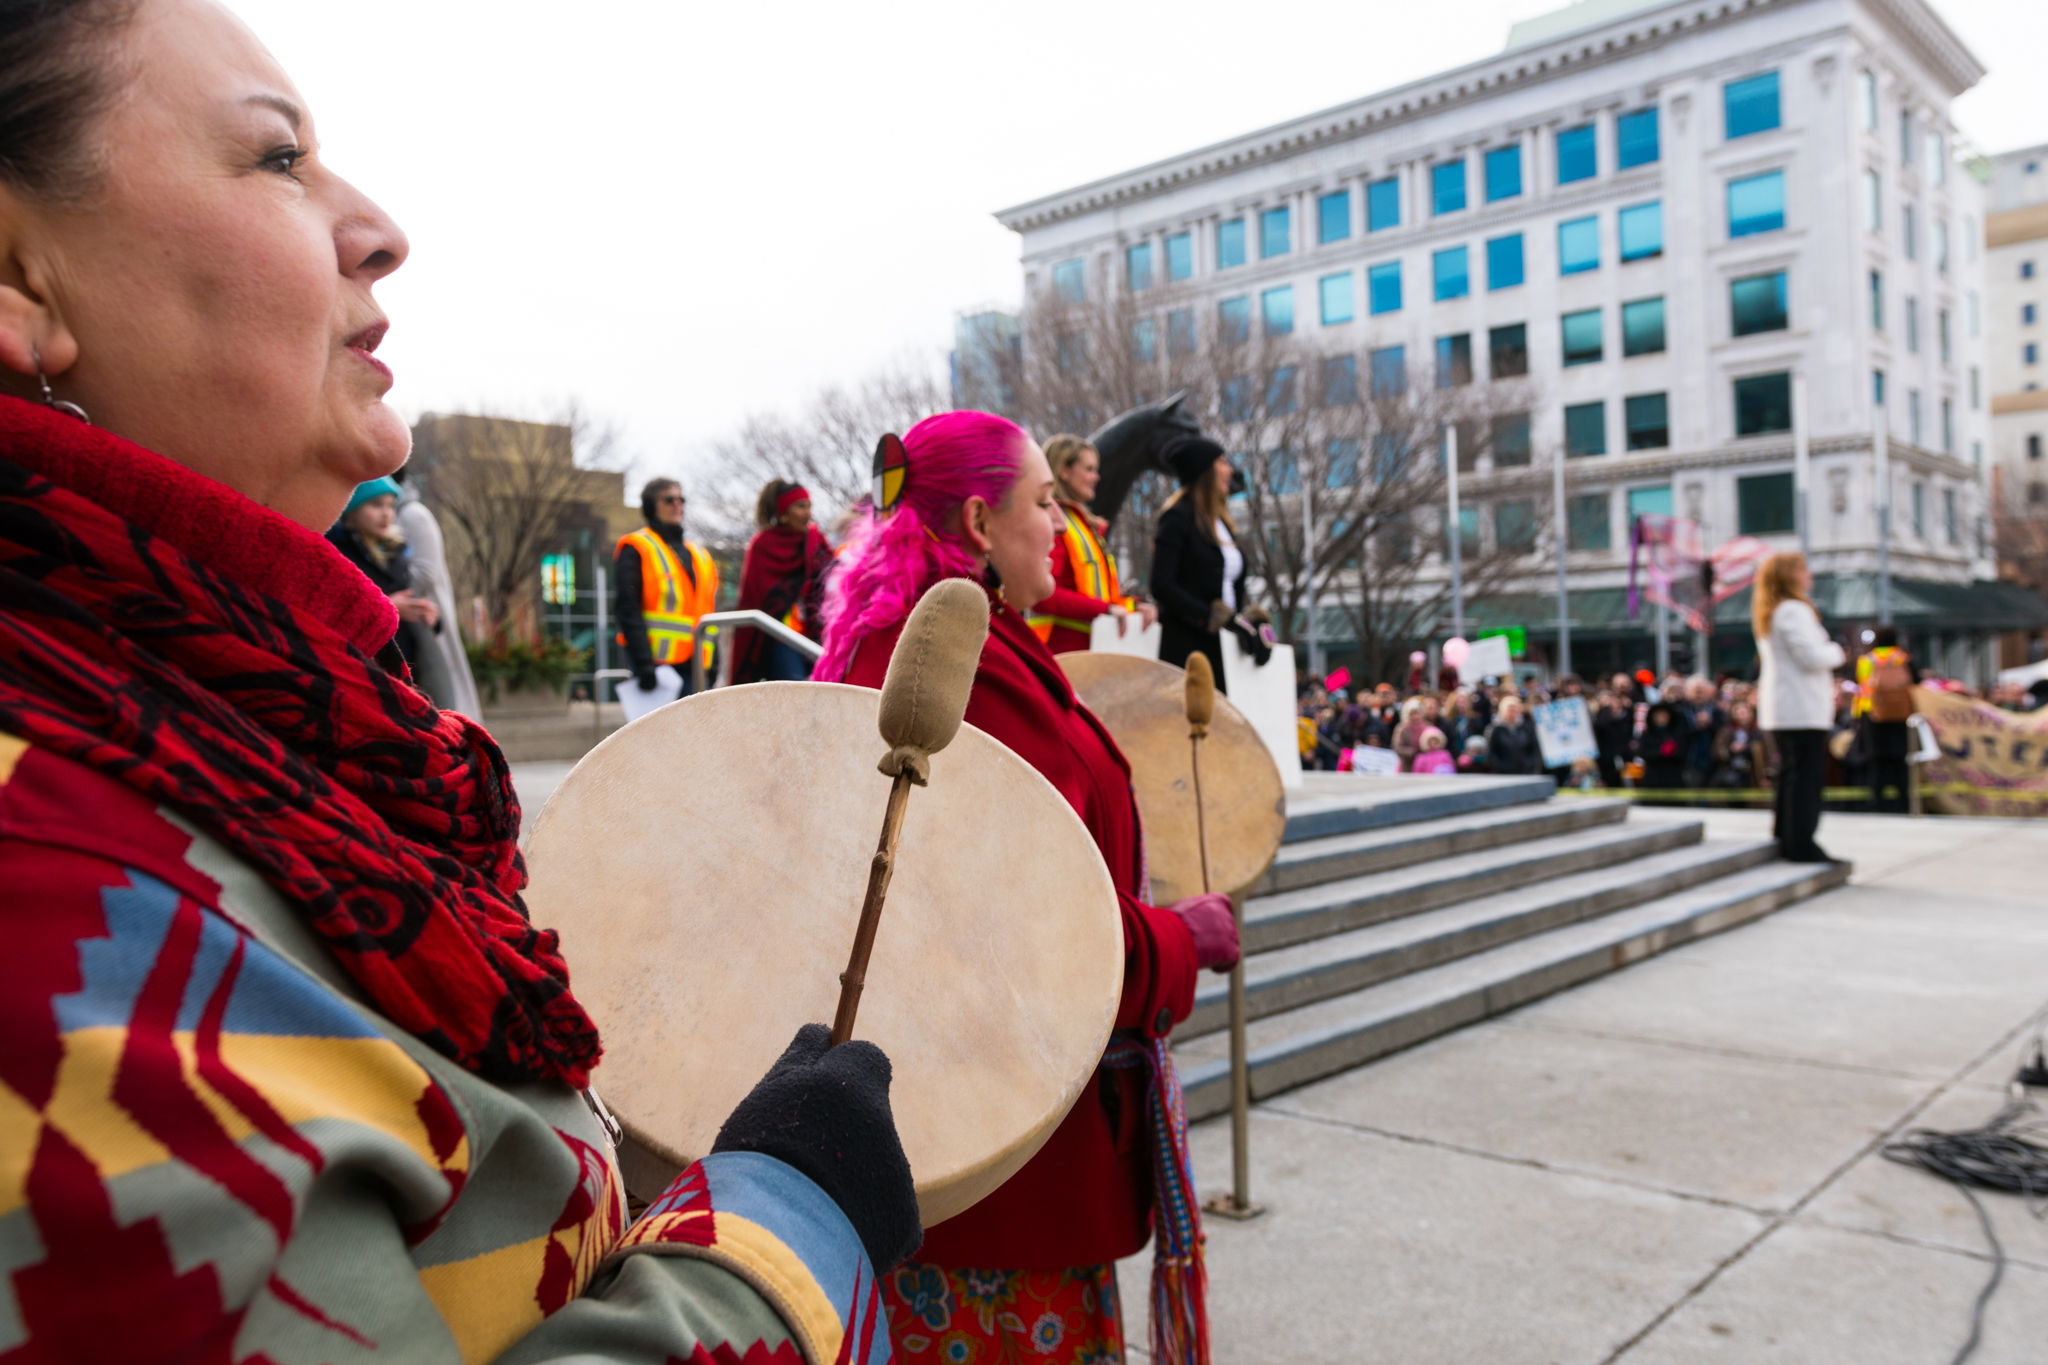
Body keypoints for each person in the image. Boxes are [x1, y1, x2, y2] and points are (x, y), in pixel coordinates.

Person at [0, 1, 916, 1356]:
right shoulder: (43, 889)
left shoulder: (237, 733)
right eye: (275, 160)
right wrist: (787, 1231)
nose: (375, 227)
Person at [815, 411, 1239, 1365]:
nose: (1062, 527)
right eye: (1047, 502)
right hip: (993, 1184)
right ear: (978, 521)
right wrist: (1178, 941)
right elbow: (1025, 930)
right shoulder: (957, 664)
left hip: (976, 1153)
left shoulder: (958, 637)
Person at [1754, 551, 1846, 862]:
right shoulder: (1792, 610)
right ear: (1789, 575)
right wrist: (1836, 651)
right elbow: (1811, 658)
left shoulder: (1774, 611)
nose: (1809, 576)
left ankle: (1788, 837)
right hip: (1800, 707)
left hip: (1788, 707)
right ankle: (1801, 842)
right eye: (1802, 570)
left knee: (1792, 775)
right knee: (1805, 777)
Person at [1029, 433, 1156, 652]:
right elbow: (1043, 594)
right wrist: (1104, 609)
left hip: (1091, 649)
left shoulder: (1083, 525)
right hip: (1062, 653)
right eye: (1089, 469)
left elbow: (1101, 593)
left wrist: (1133, 605)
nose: (1096, 477)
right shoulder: (1052, 522)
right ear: (1064, 471)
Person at [1151, 434, 1250, 691]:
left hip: (1224, 648)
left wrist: (1244, 623)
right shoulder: (1177, 518)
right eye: (1223, 462)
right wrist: (1211, 616)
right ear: (1205, 470)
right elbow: (1161, 584)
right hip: (1189, 649)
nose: (1230, 470)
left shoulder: (1221, 522)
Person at [394, 464, 484, 718]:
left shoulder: (413, 515)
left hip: (428, 618)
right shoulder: (399, 513)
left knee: (444, 687)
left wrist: (387, 583)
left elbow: (425, 573)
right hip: (411, 619)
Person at [615, 475, 719, 695]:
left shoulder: (700, 555)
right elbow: (627, 609)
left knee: (699, 728)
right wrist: (643, 664)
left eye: (681, 499)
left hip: (697, 663)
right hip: (657, 665)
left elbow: (708, 612)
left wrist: (715, 659)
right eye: (669, 499)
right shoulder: (637, 547)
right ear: (652, 505)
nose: (677, 504)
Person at [324, 475, 440, 668]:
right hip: (360, 666)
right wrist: (386, 608)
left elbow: (406, 601)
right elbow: (331, 613)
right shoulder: (338, 553)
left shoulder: (397, 551)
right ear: (353, 508)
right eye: (376, 505)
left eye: (391, 506)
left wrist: (431, 616)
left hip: (403, 665)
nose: (386, 514)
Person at [731, 478, 832, 683]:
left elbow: (832, 580)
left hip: (817, 635)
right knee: (796, 698)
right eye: (800, 506)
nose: (808, 513)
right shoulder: (764, 544)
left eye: (809, 506)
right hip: (780, 638)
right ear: (783, 514)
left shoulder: (816, 541)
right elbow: (755, 598)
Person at [1854, 625, 1920, 813]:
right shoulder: (1903, 658)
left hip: (1873, 717)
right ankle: (1904, 803)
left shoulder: (1867, 659)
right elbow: (1916, 681)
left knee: (1876, 763)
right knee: (1900, 762)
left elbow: (1860, 684)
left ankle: (1875, 803)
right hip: (1900, 716)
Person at [1711, 700, 1773, 790]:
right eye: (1738, 713)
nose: (1742, 716)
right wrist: (1731, 750)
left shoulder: (1761, 732)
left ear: (1751, 713)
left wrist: (1768, 776)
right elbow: (1716, 753)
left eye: (1744, 712)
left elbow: (1771, 752)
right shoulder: (1726, 731)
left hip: (1756, 774)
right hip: (1731, 774)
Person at [1486, 695, 1544, 775]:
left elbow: (1534, 749)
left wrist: (1530, 765)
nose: (1512, 713)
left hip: (1525, 771)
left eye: (1514, 710)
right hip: (1503, 773)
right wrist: (1499, 767)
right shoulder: (1495, 729)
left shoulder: (1526, 728)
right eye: (1509, 710)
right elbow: (1491, 752)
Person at [1592, 689, 1634, 789]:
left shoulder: (1628, 716)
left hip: (1624, 756)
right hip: (1606, 758)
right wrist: (1605, 710)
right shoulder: (1602, 715)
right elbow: (1599, 727)